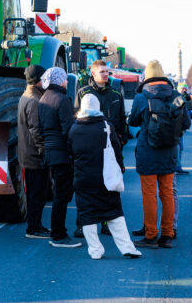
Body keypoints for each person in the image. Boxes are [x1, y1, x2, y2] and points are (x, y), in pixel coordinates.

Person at [68, 94, 142, 259]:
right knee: (113, 210)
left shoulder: (74, 128)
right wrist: (120, 166)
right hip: (105, 176)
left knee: (87, 214)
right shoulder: (106, 126)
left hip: (83, 178)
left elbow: (70, 152)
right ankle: (127, 248)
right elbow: (116, 150)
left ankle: (95, 250)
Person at [128, 60, 190, 249]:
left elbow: (133, 121)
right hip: (170, 150)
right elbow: (186, 123)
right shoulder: (176, 95)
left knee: (149, 195)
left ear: (147, 77)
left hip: (148, 151)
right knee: (167, 194)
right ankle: (167, 234)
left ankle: (151, 235)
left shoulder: (141, 97)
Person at [74, 59, 127, 237]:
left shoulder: (115, 94)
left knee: (108, 187)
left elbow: (121, 121)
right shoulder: (83, 93)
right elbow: (77, 117)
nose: (106, 74)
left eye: (107, 71)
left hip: (110, 146)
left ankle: (106, 223)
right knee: (86, 188)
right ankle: (83, 223)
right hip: (89, 146)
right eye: (102, 71)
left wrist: (120, 141)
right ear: (93, 73)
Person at [38, 67, 80, 248]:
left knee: (58, 195)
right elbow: (68, 129)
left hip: (50, 152)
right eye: (65, 78)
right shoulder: (62, 100)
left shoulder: (43, 99)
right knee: (62, 196)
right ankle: (59, 235)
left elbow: (40, 129)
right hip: (62, 154)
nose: (67, 81)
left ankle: (58, 232)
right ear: (58, 80)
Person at [18, 65, 49, 239]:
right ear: (38, 80)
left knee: (35, 193)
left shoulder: (27, 95)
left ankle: (36, 225)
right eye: (44, 78)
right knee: (37, 194)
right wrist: (44, 152)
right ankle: (34, 228)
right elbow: (36, 130)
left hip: (28, 153)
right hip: (34, 156)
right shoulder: (34, 101)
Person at [175, 82, 192, 175]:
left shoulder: (186, 97)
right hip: (176, 126)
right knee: (177, 147)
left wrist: (188, 99)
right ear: (178, 89)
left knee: (180, 147)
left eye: (185, 88)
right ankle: (176, 167)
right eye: (182, 88)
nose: (184, 90)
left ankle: (178, 166)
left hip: (181, 127)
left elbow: (191, 107)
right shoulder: (176, 97)